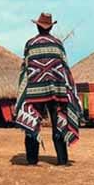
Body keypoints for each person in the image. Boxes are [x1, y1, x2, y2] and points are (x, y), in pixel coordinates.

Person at [14, 12, 82, 166]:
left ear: (37, 26)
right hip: (56, 90)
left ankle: (32, 160)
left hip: (34, 91)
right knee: (58, 122)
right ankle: (62, 160)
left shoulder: (30, 44)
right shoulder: (58, 44)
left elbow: (25, 68)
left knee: (32, 120)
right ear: (51, 27)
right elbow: (64, 67)